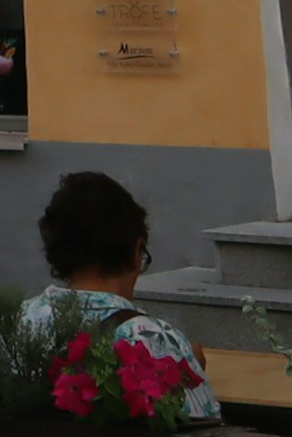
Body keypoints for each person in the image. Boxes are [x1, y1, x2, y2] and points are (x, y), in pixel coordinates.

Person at [19, 170, 220, 423]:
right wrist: (189, 375)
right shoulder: (151, 338)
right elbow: (202, 428)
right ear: (136, 249)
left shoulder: (16, 323)